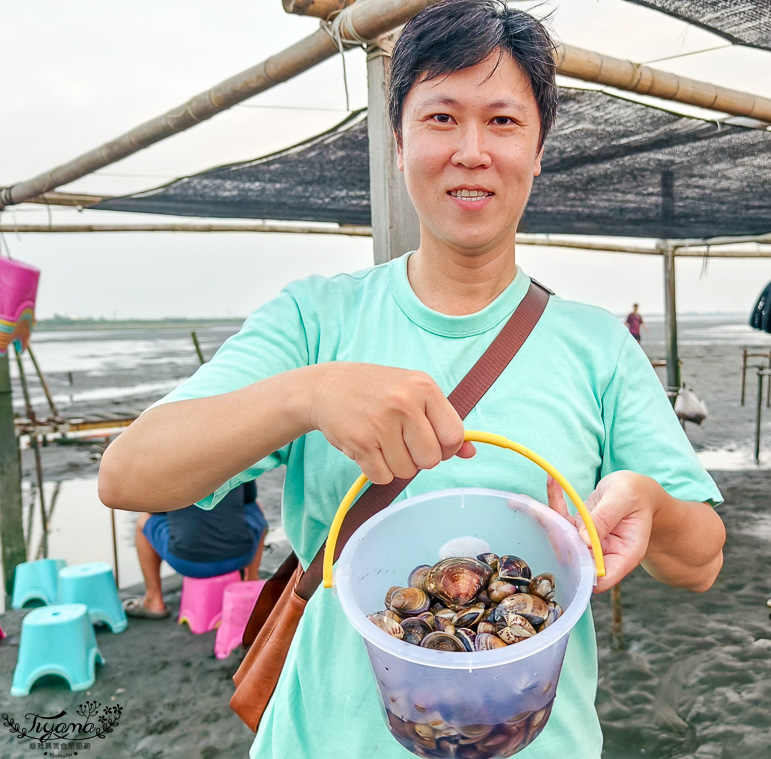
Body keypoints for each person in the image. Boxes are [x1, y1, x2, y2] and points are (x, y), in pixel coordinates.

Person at [97, 2, 725, 756]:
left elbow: (702, 561)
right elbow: (129, 474)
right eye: (440, 118)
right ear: (397, 143)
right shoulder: (315, 319)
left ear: (538, 148)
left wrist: (652, 502)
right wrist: (308, 393)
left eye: (502, 121)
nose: (470, 150)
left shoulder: (599, 347)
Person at [124, 480, 267, 618]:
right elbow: (249, 498)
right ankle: (251, 581)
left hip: (188, 563)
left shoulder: (165, 465)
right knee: (256, 507)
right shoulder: (234, 457)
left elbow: (155, 509)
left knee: (143, 520)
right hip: (241, 555)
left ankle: (153, 599)